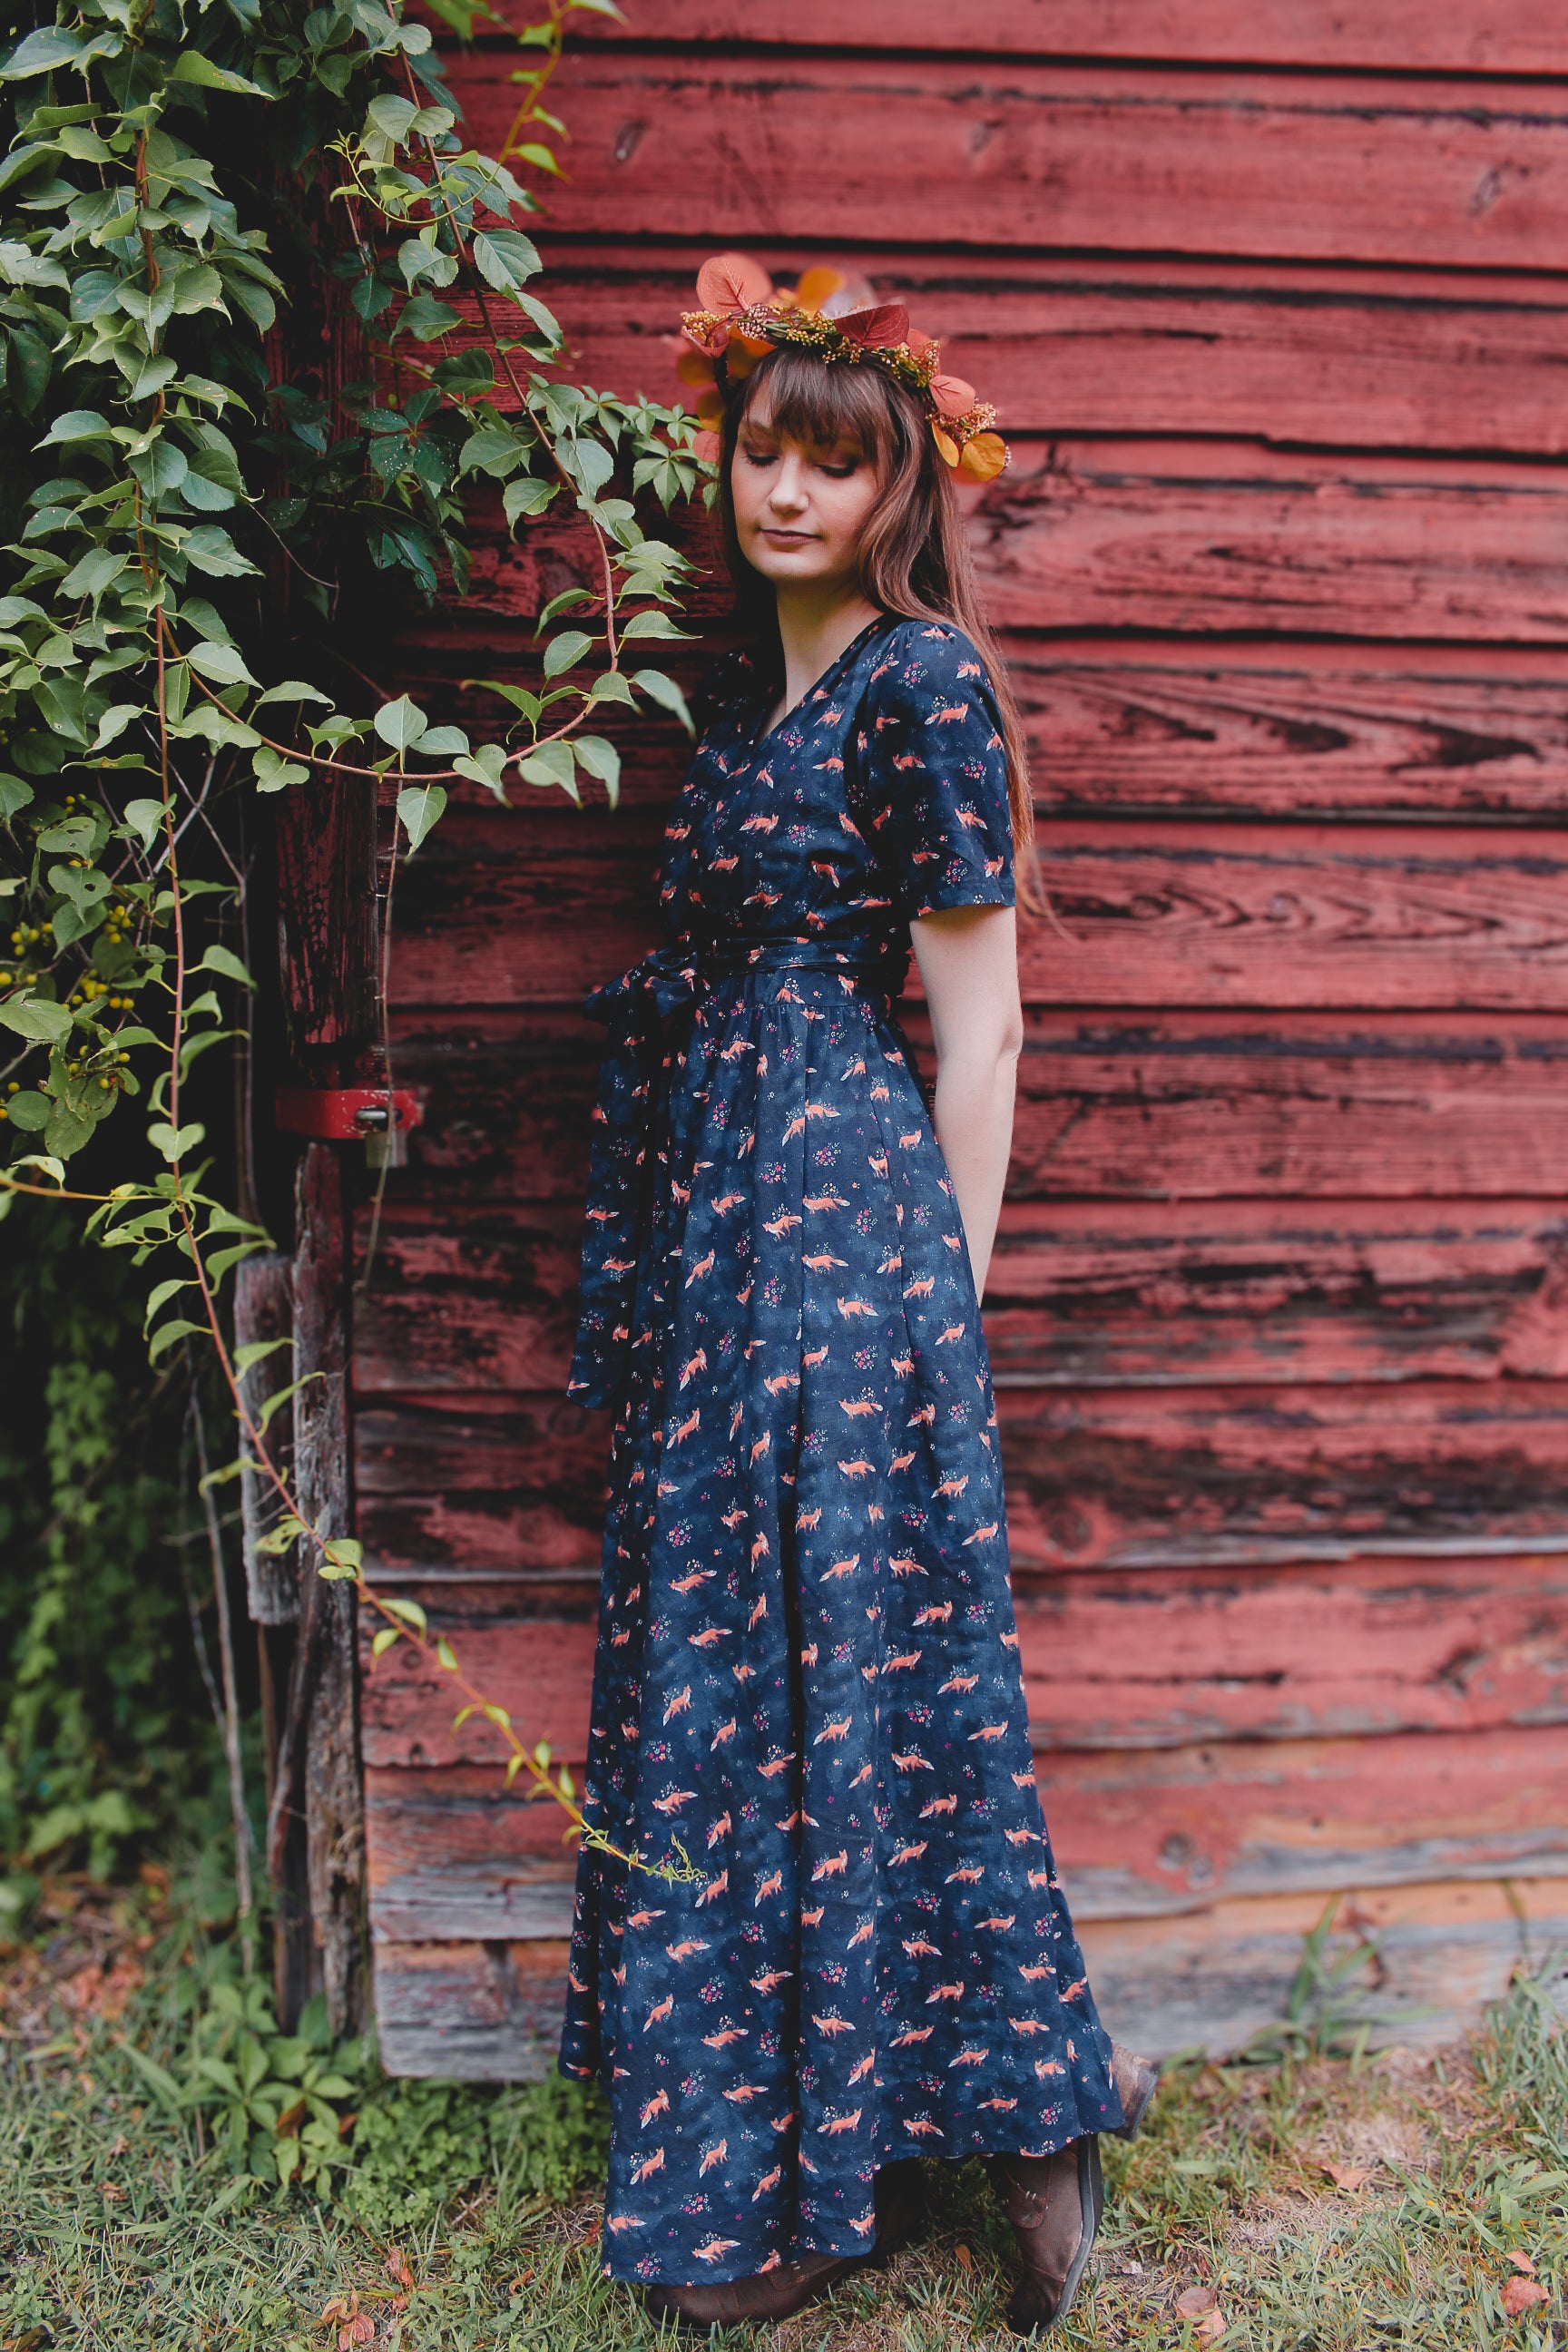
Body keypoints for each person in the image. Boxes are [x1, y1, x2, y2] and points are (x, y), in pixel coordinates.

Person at [559, 251, 1159, 2337]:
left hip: (847, 1233)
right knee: (744, 1684)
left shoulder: (921, 690)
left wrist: (940, 1316)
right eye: (761, 451)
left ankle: (1012, 2124)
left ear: (898, 482)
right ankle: (815, 2158)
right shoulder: (740, 705)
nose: (787, 490)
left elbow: (981, 1027)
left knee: (878, 1685)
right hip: (719, 1229)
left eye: (831, 460)